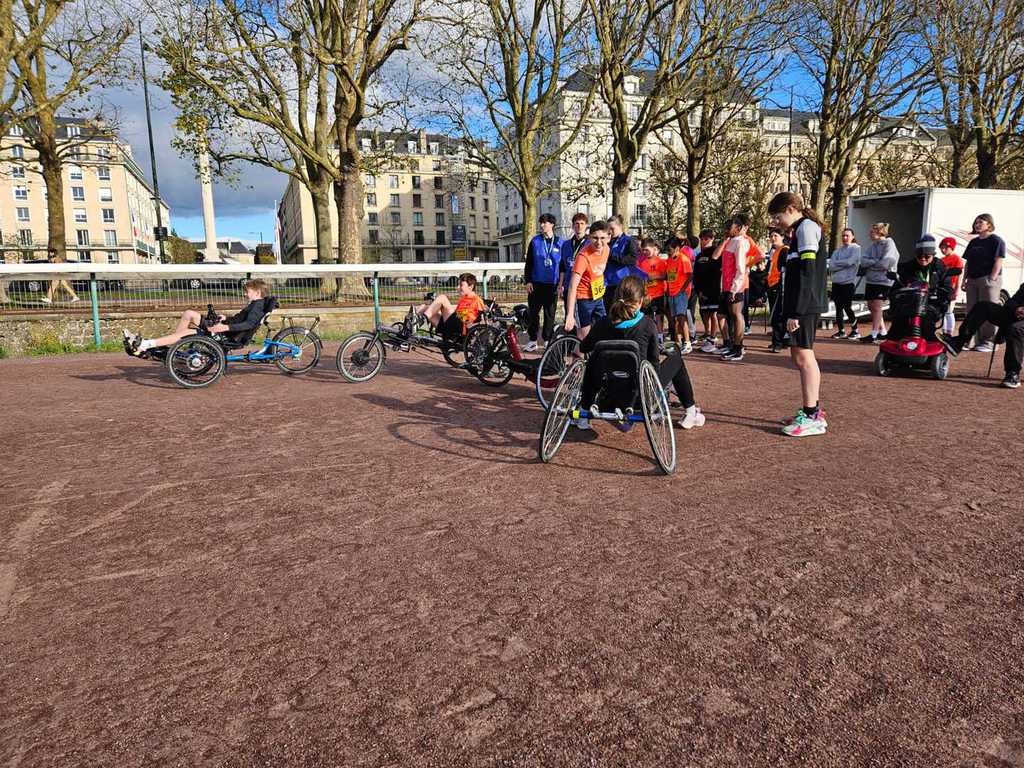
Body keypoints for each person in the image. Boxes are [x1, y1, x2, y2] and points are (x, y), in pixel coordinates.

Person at [576, 276, 706, 431]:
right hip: (641, 395)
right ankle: (691, 411)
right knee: (675, 357)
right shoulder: (647, 325)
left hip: (608, 394)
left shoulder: (603, 324)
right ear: (640, 301)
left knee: (593, 362)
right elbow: (654, 363)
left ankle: (583, 412)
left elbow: (584, 348)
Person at [767, 191, 829, 438]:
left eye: (777, 216)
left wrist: (797, 311)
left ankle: (812, 416)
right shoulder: (799, 231)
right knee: (799, 356)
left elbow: (807, 272)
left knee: (805, 357)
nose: (776, 222)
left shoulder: (807, 228)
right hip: (799, 304)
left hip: (805, 305)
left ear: (791, 209)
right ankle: (811, 410)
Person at [124, 278, 272, 356]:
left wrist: (225, 327)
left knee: (188, 332)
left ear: (257, 292)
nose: (245, 294)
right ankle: (174, 346)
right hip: (225, 329)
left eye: (248, 291)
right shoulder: (254, 304)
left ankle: (145, 344)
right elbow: (240, 319)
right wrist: (224, 318)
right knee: (189, 313)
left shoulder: (257, 306)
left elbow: (248, 324)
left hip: (229, 336)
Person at [938, 282, 1024, 389]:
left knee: (1015, 329)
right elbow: (1011, 302)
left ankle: (1013, 373)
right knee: (983, 307)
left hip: (1019, 324)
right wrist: (1016, 309)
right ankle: (958, 342)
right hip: (1017, 316)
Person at [887, 234, 953, 343]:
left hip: (930, 305)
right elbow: (896, 287)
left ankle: (930, 344)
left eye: (927, 256)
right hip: (909, 304)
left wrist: (943, 295)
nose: (923, 259)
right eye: (919, 256)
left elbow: (948, 289)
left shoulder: (940, 267)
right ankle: (892, 346)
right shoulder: (907, 267)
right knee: (897, 325)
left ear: (933, 255)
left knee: (927, 323)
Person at [961, 213, 1006, 353]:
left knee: (989, 311)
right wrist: (964, 279)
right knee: (971, 311)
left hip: (988, 279)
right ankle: (969, 339)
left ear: (989, 224)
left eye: (981, 222)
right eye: (976, 222)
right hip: (972, 280)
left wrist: (991, 279)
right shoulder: (973, 242)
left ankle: (989, 342)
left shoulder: (996, 240)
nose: (977, 224)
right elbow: (968, 262)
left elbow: (999, 260)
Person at [714, 214, 753, 361]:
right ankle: (730, 344)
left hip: (735, 287)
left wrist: (734, 288)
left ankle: (738, 348)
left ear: (739, 228)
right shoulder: (730, 241)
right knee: (722, 314)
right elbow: (717, 259)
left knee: (736, 315)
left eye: (729, 227)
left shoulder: (741, 243)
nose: (727, 229)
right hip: (725, 286)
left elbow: (740, 268)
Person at [563, 220, 611, 341]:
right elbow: (572, 286)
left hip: (598, 297)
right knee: (584, 337)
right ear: (589, 237)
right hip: (582, 299)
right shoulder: (583, 257)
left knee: (604, 331)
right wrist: (570, 315)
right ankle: (579, 353)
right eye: (595, 238)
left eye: (602, 238)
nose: (599, 242)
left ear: (609, 237)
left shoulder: (607, 249)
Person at [523, 213, 563, 351]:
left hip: (552, 284)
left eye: (544, 222)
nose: (542, 225)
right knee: (533, 313)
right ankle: (533, 340)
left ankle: (547, 340)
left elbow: (563, 266)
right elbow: (529, 263)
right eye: (541, 222)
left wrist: (561, 284)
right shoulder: (535, 241)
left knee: (549, 313)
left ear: (552, 224)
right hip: (536, 283)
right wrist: (528, 281)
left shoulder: (560, 243)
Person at [405, 273, 487, 340]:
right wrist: (438, 308)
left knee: (442, 298)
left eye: (461, 285)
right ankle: (406, 331)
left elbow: (483, 318)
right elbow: (456, 312)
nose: (458, 287)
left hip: (461, 327)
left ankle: (421, 320)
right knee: (424, 307)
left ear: (471, 286)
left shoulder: (477, 300)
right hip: (452, 325)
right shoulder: (464, 299)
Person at [859, 222, 899, 343]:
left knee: (877, 306)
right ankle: (883, 331)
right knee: (871, 306)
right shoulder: (873, 246)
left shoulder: (889, 244)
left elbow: (885, 263)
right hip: (871, 280)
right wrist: (876, 262)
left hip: (883, 280)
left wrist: (872, 264)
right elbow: (863, 261)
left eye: (872, 231)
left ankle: (874, 334)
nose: (869, 234)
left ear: (880, 232)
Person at [663, 235, 695, 353]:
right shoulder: (669, 260)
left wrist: (683, 289)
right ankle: (677, 342)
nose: (668, 252)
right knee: (674, 319)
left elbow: (690, 275)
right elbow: (668, 276)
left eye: (669, 250)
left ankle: (687, 342)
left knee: (681, 317)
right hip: (671, 292)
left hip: (680, 293)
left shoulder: (683, 259)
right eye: (667, 250)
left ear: (677, 248)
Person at [829, 227, 862, 339]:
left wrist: (837, 264)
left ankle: (855, 330)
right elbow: (831, 266)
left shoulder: (856, 248)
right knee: (838, 307)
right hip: (836, 283)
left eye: (847, 235)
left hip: (848, 283)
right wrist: (842, 264)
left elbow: (850, 262)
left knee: (847, 307)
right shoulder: (837, 251)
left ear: (852, 237)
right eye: (843, 235)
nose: (845, 238)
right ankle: (841, 331)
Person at [603, 214, 639, 313]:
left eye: (612, 228)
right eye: (608, 229)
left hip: (622, 283)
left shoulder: (628, 241)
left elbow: (633, 259)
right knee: (609, 312)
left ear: (620, 227)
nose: (610, 231)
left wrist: (613, 256)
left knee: (621, 312)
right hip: (607, 283)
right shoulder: (607, 241)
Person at [693, 229, 721, 352]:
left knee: (713, 313)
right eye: (702, 239)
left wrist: (717, 287)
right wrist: (698, 290)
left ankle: (713, 337)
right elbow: (696, 274)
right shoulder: (699, 256)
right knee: (704, 313)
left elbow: (718, 272)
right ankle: (707, 333)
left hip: (714, 289)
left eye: (706, 239)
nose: (704, 241)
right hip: (702, 289)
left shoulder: (716, 253)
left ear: (712, 239)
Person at [558, 212, 589, 323]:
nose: (579, 226)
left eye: (582, 223)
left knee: (584, 318)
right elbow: (562, 266)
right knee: (570, 316)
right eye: (576, 224)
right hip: (568, 286)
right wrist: (560, 285)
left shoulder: (590, 244)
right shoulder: (566, 244)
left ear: (586, 226)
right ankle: (571, 334)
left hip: (584, 287)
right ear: (572, 226)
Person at [636, 237, 667, 334]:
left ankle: (660, 335)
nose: (645, 252)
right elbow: (641, 279)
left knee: (658, 316)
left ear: (654, 248)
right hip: (647, 295)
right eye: (643, 250)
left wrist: (653, 276)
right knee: (647, 316)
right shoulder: (643, 263)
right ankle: (649, 335)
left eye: (647, 250)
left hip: (658, 294)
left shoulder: (660, 261)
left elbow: (665, 276)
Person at [765, 228, 789, 352]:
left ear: (782, 237)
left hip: (779, 286)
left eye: (775, 235)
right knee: (776, 314)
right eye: (771, 236)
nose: (772, 238)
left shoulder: (784, 250)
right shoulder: (774, 251)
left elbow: (784, 270)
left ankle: (778, 343)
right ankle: (781, 341)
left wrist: (781, 287)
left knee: (777, 316)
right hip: (772, 285)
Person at [939, 236, 965, 334]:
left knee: (949, 310)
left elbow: (959, 275)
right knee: (943, 310)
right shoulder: (941, 260)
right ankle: (944, 331)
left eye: (945, 248)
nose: (943, 250)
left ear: (952, 248)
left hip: (951, 287)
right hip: (942, 287)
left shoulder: (957, 259)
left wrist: (957, 289)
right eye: (941, 247)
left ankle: (949, 332)